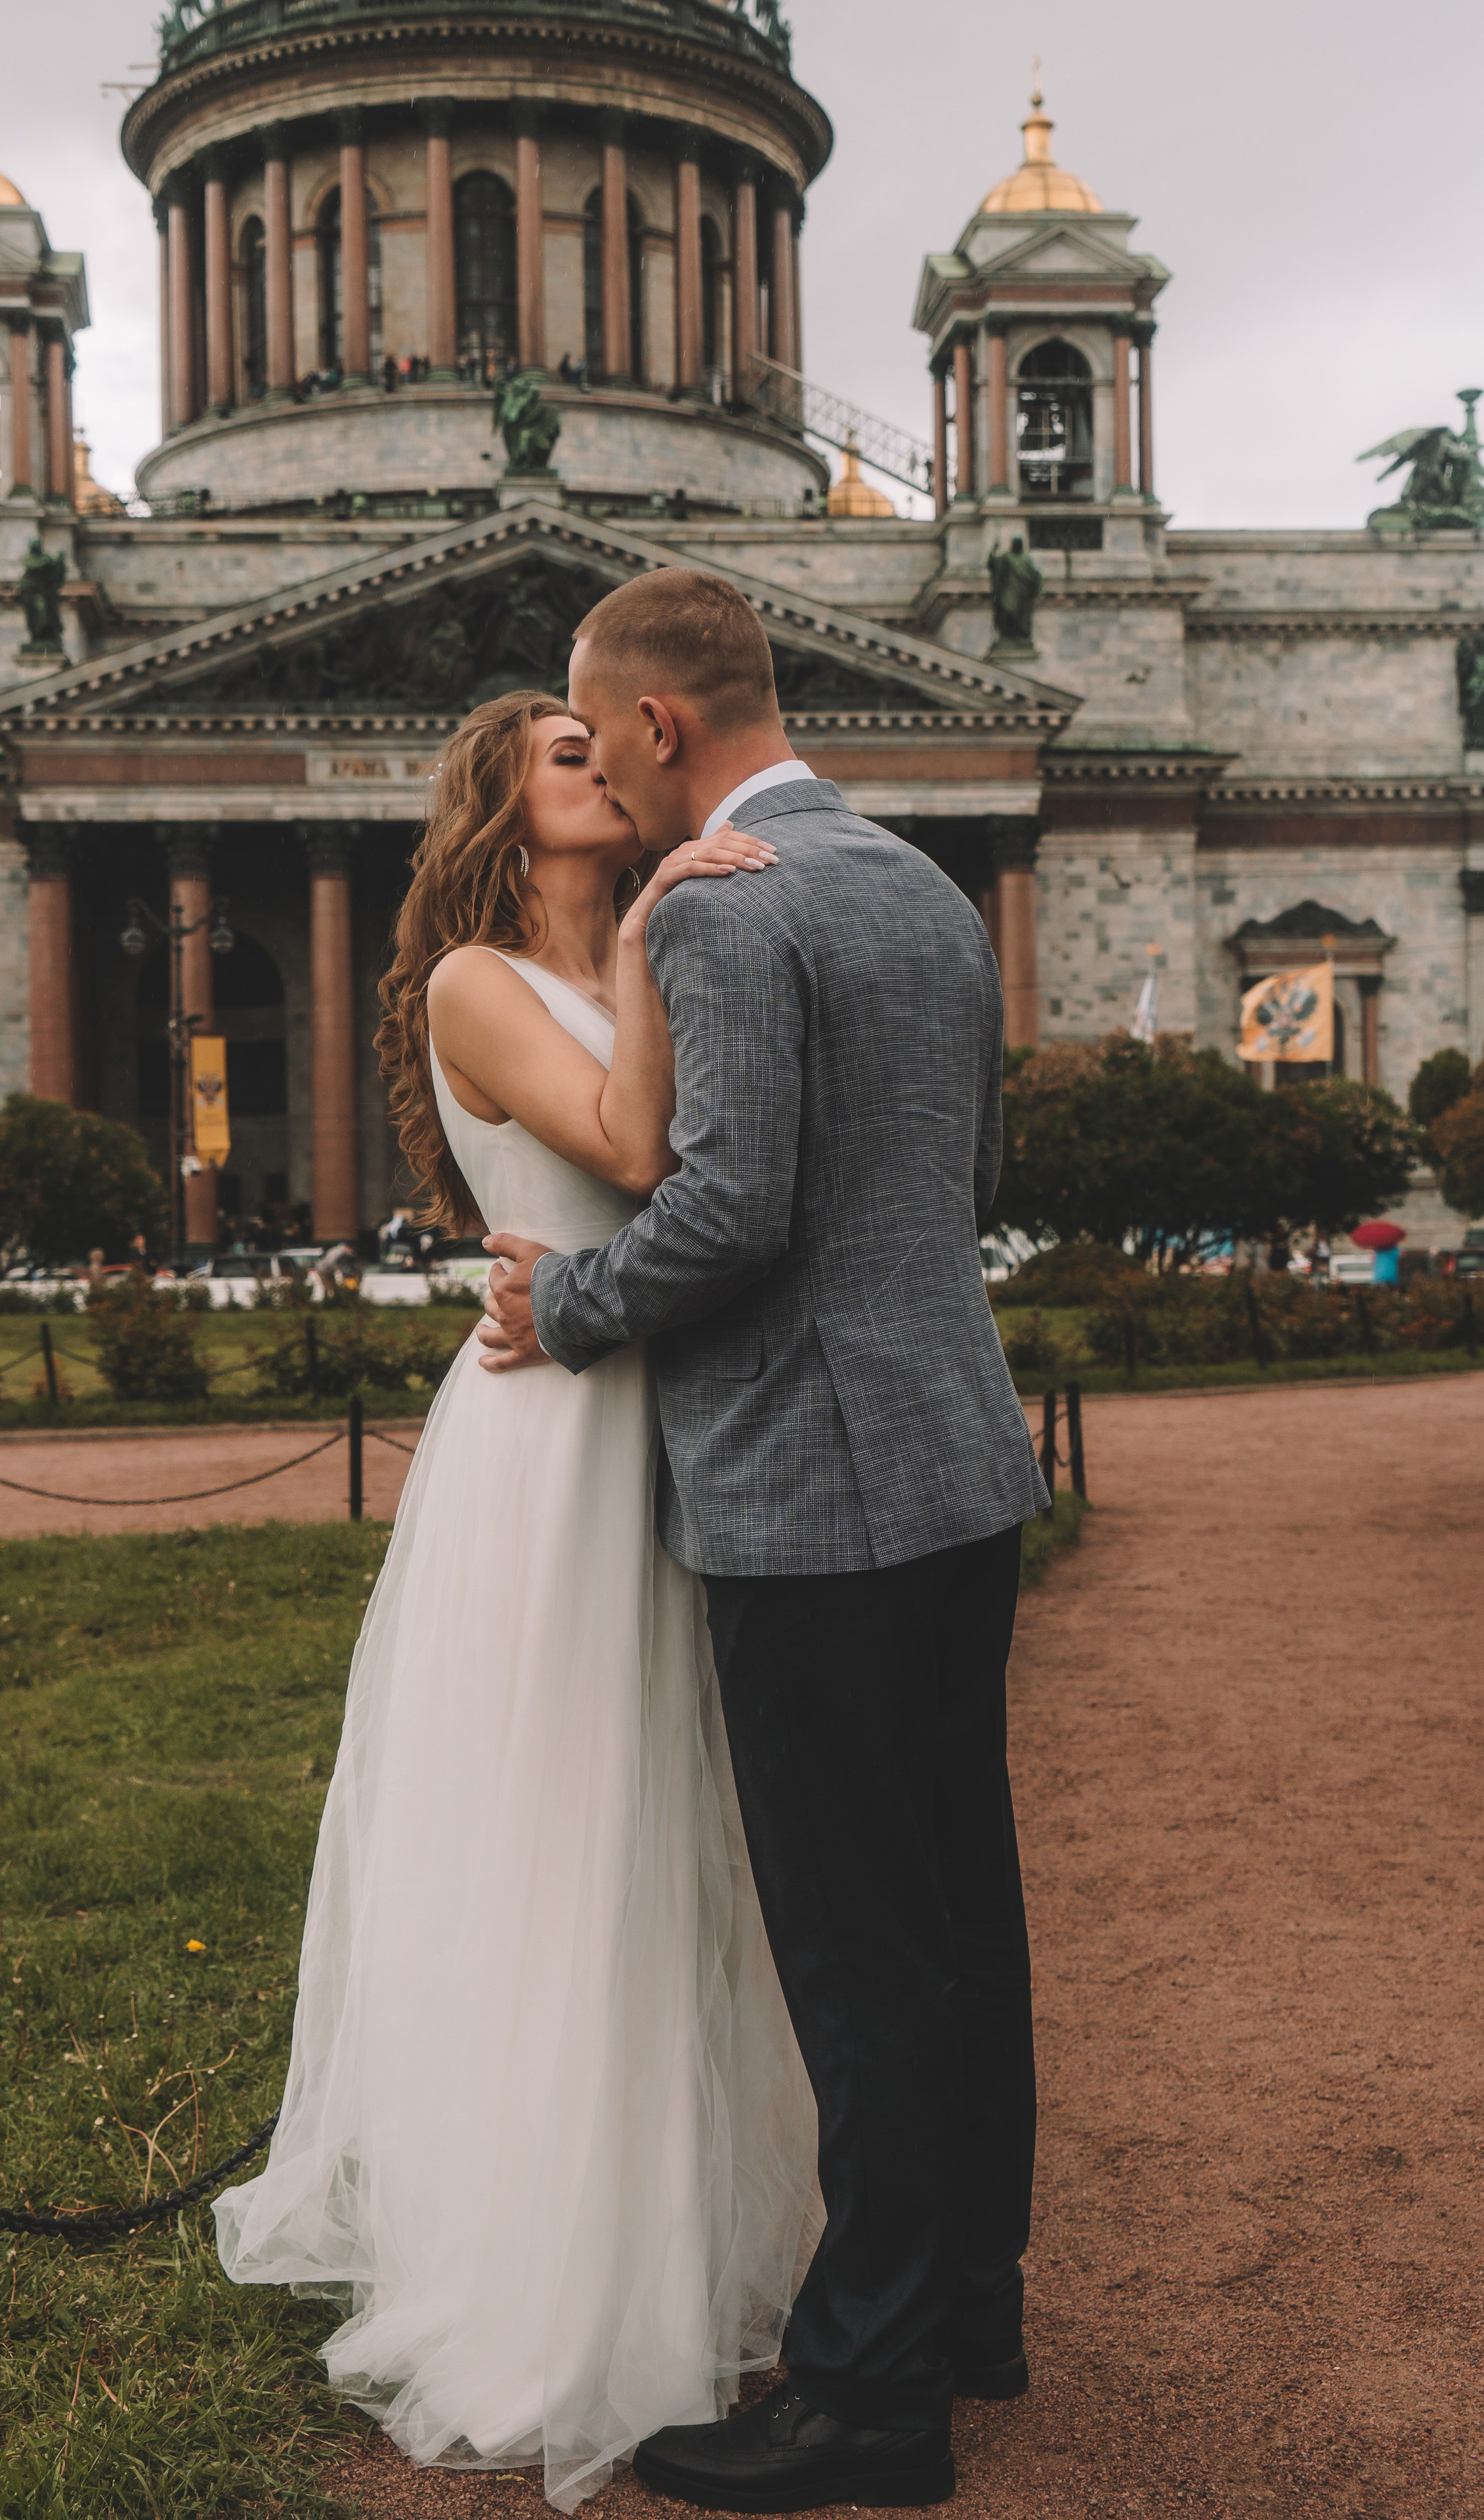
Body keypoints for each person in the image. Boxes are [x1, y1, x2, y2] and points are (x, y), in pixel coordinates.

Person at [213, 691, 820, 2511]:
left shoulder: (663, 939)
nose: (606, 762)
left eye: (605, 743)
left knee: (683, 1828)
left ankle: (685, 2249)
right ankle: (553, 2295)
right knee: (565, 1824)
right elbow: (635, 1158)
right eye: (567, 754)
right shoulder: (478, 980)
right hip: (555, 1424)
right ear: (500, 805)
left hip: (658, 1394)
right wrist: (649, 935)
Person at [480, 567, 1049, 2511]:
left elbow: (730, 1214)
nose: (608, 775)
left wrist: (560, 1303)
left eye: (599, 732)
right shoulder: (920, 889)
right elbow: (966, 1176)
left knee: (861, 1949)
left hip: (812, 1495)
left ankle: (872, 2395)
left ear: (656, 724)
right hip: (958, 1463)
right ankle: (971, 2307)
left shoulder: (724, 907)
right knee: (963, 1920)